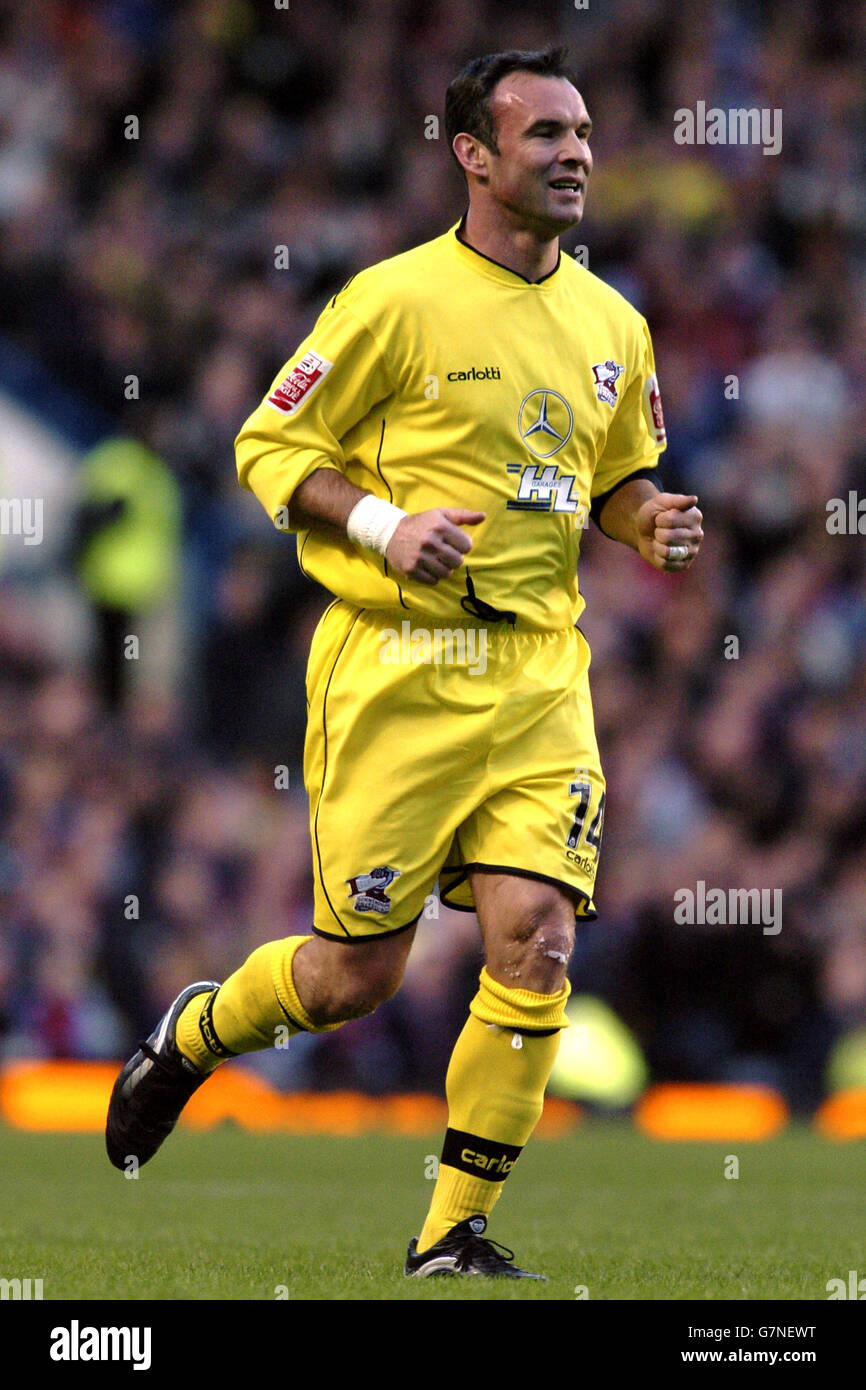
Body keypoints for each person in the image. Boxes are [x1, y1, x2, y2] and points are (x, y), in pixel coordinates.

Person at [106, 46, 703, 1280]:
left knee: (535, 937)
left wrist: (643, 519)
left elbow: (612, 475)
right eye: (541, 134)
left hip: (540, 672)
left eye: (582, 131)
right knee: (349, 979)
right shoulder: (391, 301)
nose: (575, 152)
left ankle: (452, 1233)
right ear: (472, 157)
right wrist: (385, 525)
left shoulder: (615, 325)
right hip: (396, 668)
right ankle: (197, 1030)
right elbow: (269, 445)